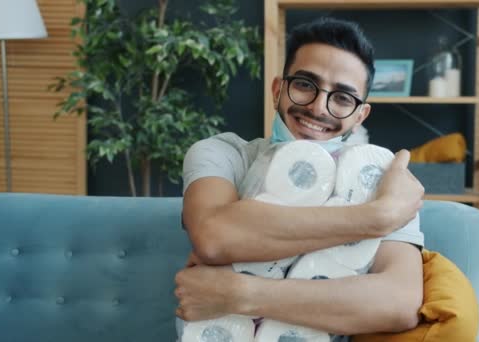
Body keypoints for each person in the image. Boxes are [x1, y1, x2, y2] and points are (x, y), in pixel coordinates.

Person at [175, 17, 425, 339]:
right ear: (279, 89)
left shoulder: (378, 178)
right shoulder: (223, 154)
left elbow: (399, 304)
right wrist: (376, 217)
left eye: (343, 98)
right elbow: (213, 237)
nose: (319, 108)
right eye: (305, 85)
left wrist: (241, 293)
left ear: (360, 115)